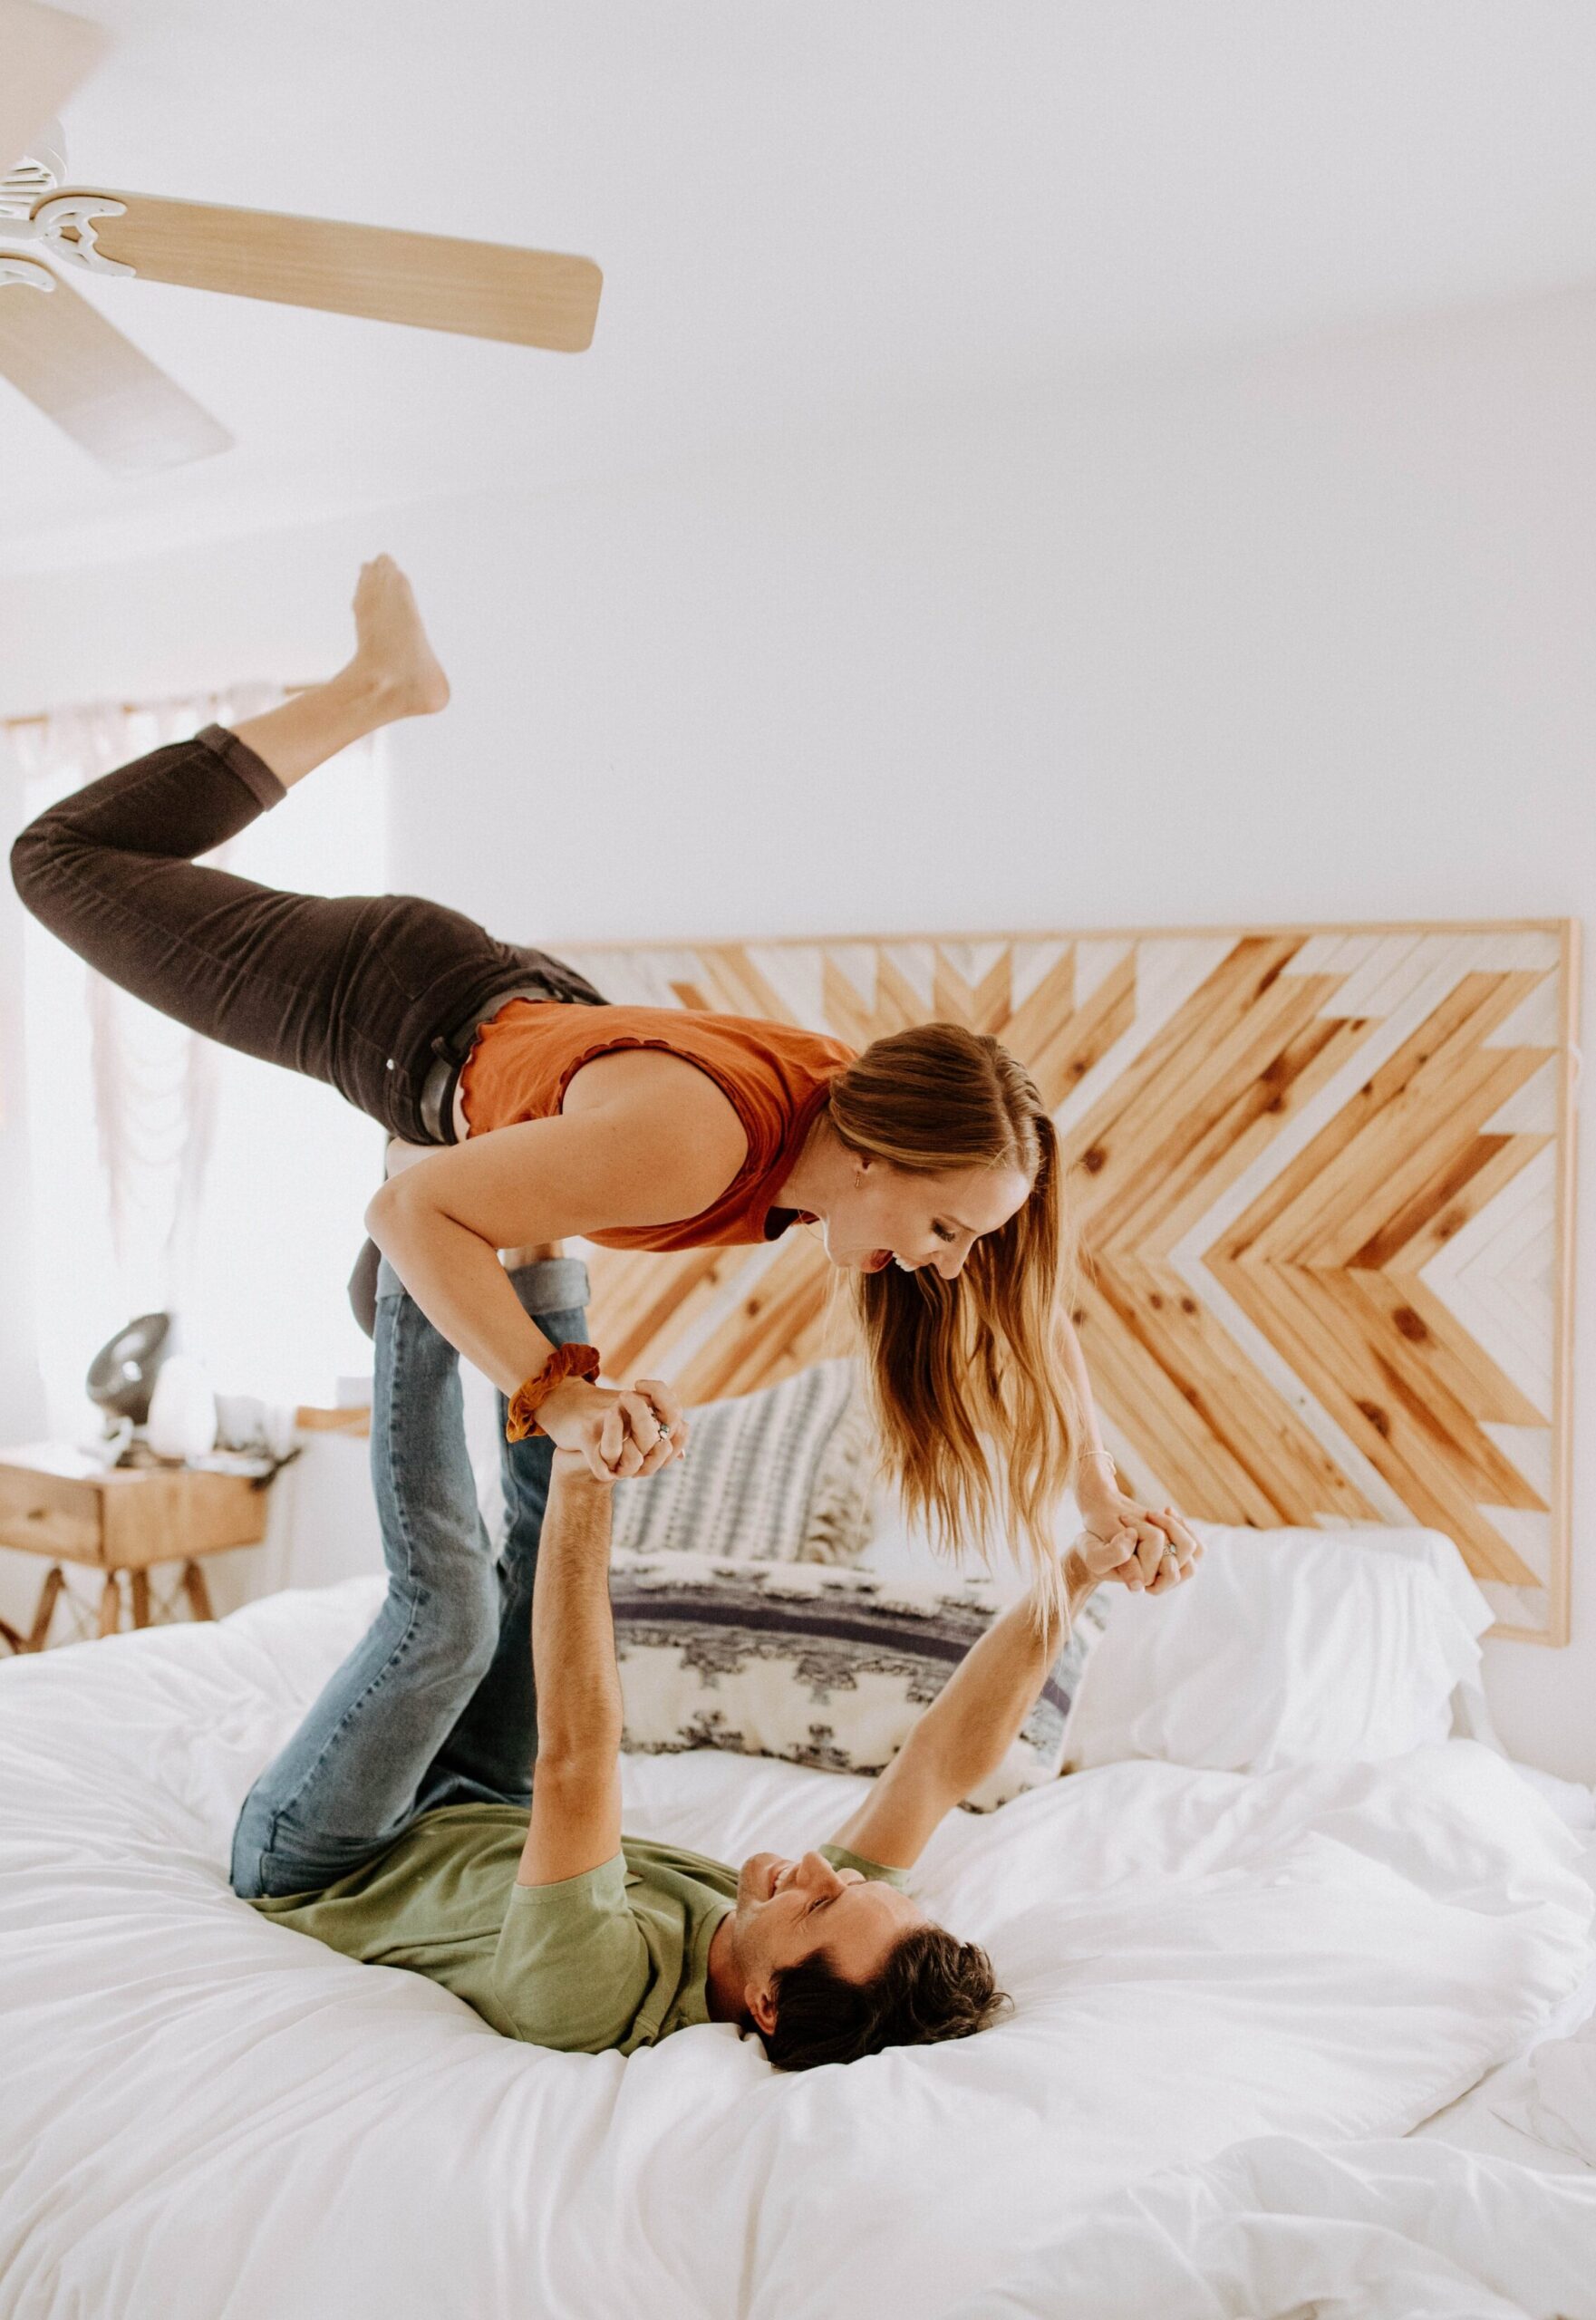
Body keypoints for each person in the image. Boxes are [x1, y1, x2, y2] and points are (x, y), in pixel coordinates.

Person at [9, 554, 1197, 1606]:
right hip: (396, 1008)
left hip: (509, 1031)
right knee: (59, 861)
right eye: (946, 1225)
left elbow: (1021, 1313)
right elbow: (406, 1213)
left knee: (388, 1308)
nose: (949, 1261)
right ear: (881, 1151)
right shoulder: (704, 1147)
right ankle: (372, 689)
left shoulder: (855, 1124)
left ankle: (459, 1153)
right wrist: (559, 1393)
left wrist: (1100, 1499)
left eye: (964, 1240)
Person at [235, 1247, 1202, 2065]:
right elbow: (940, 1765)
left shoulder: (592, 1992)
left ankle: (415, 1282)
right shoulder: (841, 1933)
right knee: (531, 1568)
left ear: (770, 2006)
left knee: (451, 1621)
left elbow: (577, 1751)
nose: (823, 1871)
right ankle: (530, 1250)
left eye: (824, 1905)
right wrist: (1073, 1577)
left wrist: (587, 1473)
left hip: (330, 1854)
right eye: (854, 1882)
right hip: (476, 1806)